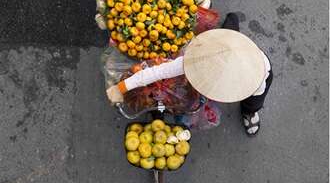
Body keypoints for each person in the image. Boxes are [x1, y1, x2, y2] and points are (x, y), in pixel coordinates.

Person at [106, 13, 273, 136]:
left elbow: (255, 88)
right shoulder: (198, 58)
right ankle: (232, 22)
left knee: (254, 102)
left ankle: (250, 112)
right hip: (226, 44)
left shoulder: (256, 77)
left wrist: (251, 106)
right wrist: (121, 87)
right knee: (228, 37)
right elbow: (157, 72)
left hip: (252, 63)